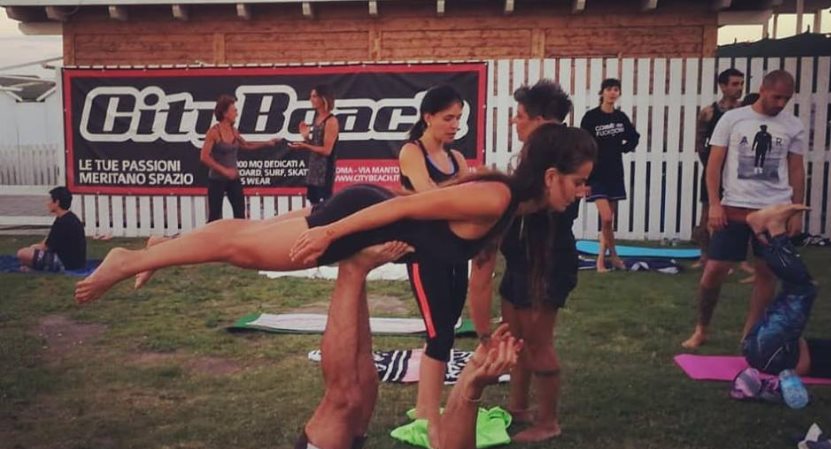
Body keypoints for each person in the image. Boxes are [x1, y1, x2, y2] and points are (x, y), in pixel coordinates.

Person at [74, 124, 597, 305]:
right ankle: (121, 261)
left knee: (241, 231)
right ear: (551, 176)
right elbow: (410, 203)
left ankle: (156, 252)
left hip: (364, 210)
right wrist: (328, 232)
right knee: (243, 250)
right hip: (359, 217)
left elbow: (420, 208)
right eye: (578, 182)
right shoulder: (496, 200)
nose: (582, 192)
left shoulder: (506, 203)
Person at [270, 240, 566, 449]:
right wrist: (477, 363)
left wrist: (475, 389)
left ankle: (353, 269)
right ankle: (352, 262)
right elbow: (451, 427)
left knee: (346, 399)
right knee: (367, 384)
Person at [469, 80, 574, 443]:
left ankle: (548, 422)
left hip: (545, 262)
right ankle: (517, 407)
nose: (515, 122)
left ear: (543, 122)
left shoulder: (561, 156)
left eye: (520, 117)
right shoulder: (534, 155)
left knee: (538, 342)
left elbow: (527, 202)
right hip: (521, 259)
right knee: (514, 338)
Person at [682, 70, 806, 350]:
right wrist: (715, 203)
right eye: (776, 97)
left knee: (766, 273)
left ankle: (749, 336)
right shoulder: (732, 119)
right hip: (735, 205)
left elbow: (797, 168)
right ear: (762, 89)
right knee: (714, 268)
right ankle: (702, 328)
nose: (780, 104)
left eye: (786, 99)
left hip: (774, 210)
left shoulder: (793, 125)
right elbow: (714, 164)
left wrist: (796, 211)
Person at [398, 84, 470, 449]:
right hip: (425, 253)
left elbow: (466, 201)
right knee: (437, 334)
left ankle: (429, 407)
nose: (455, 124)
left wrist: (465, 186)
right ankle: (425, 416)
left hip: (457, 253)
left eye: (458, 117)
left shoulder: (456, 158)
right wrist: (466, 184)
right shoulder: (412, 152)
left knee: (448, 332)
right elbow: (431, 197)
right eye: (448, 118)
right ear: (428, 117)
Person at [742, 203, 831, 381]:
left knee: (802, 289)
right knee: (799, 286)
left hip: (777, 355)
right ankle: (770, 229)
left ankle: (774, 228)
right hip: (771, 348)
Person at [580, 78, 640, 272]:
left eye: (616, 90)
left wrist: (623, 148)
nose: (613, 93)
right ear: (602, 92)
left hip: (614, 172)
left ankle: (612, 257)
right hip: (595, 174)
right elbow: (582, 143)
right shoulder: (591, 117)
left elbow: (633, 137)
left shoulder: (620, 117)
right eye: (609, 89)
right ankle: (602, 260)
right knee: (605, 217)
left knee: (609, 219)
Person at [693, 68, 745, 268]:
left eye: (741, 84)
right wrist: (710, 165)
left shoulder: (744, 112)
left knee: (736, 213)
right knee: (708, 212)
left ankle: (730, 259)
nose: (738, 88)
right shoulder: (709, 112)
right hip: (714, 167)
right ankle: (705, 256)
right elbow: (700, 141)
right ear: (723, 86)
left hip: (738, 170)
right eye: (734, 84)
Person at [200, 95, 281, 222]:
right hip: (217, 180)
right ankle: (212, 241)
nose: (237, 114)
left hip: (234, 179)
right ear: (225, 113)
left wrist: (267, 143)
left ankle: (239, 240)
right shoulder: (214, 132)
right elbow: (204, 157)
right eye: (234, 111)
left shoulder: (234, 130)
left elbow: (246, 145)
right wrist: (224, 171)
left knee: (240, 214)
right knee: (214, 216)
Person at [16, 186, 86, 272]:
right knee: (29, 253)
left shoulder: (63, 222)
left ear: (56, 202)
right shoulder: (67, 218)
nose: (47, 203)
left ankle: (38, 269)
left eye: (50, 200)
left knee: (22, 253)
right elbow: (48, 241)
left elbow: (46, 247)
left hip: (66, 263)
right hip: (75, 261)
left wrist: (32, 249)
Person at [290, 85, 340, 205]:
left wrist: (305, 146)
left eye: (314, 96)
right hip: (314, 170)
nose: (311, 99)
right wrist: (306, 137)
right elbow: (317, 145)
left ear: (323, 98)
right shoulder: (317, 118)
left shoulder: (331, 121)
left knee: (325, 205)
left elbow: (327, 150)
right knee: (314, 204)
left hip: (324, 171)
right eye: (311, 96)